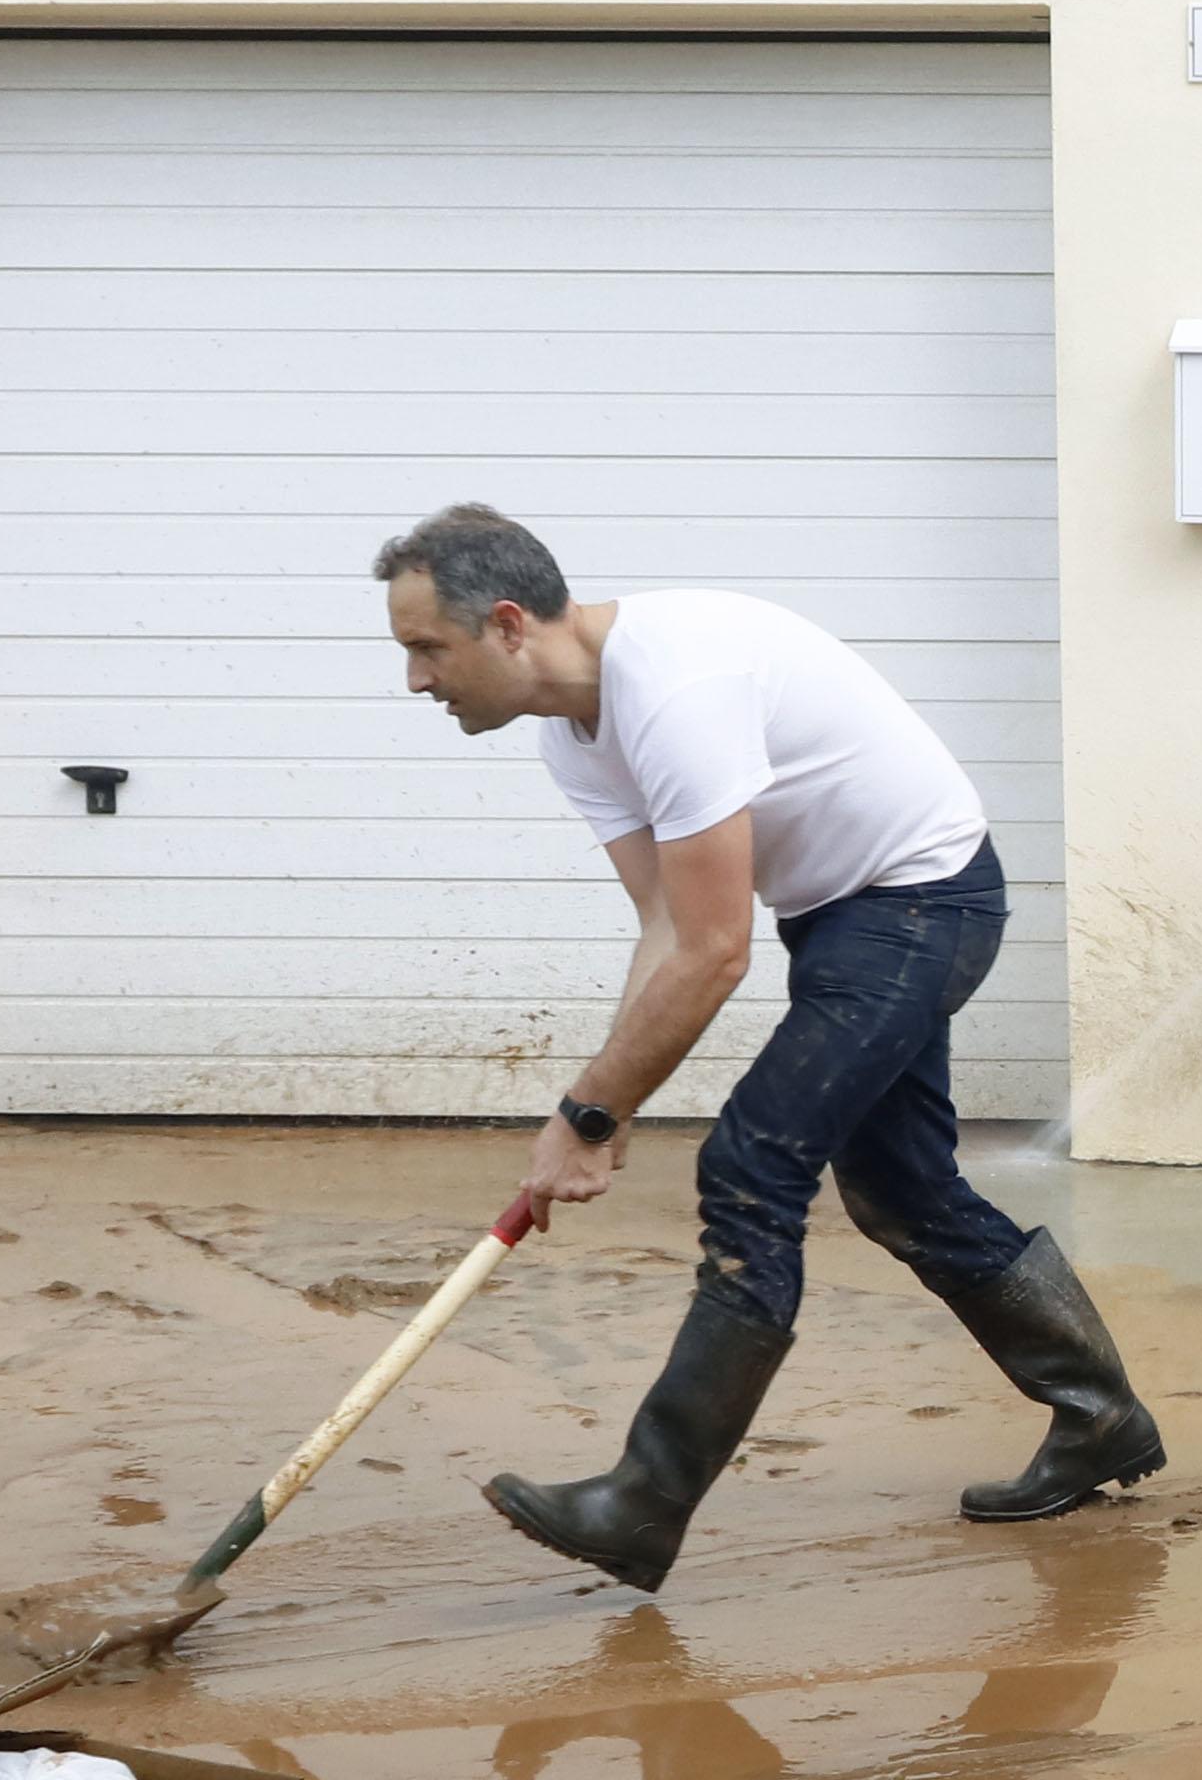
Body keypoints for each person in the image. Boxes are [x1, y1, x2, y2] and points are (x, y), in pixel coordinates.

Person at [379, 503, 1158, 1588]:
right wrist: (600, 1109)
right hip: (846, 918)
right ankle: (1102, 1417)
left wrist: (589, 1111)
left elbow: (713, 950)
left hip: (923, 901)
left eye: (427, 648)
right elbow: (664, 934)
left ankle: (645, 1499)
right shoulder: (573, 733)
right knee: (902, 1189)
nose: (417, 680)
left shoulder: (675, 687)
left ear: (507, 624)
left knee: (753, 1165)